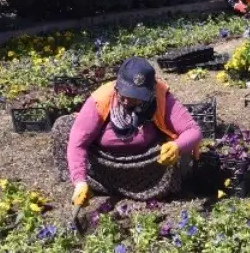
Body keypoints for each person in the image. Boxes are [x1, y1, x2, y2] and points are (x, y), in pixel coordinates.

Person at [62, 58, 202, 206]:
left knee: (177, 159)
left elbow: (193, 131)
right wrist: (80, 182)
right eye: (124, 95)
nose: (128, 102)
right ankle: (90, 183)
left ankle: (139, 187)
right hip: (103, 162)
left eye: (136, 98)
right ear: (117, 86)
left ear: (151, 91)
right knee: (64, 128)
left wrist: (177, 146)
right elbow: (78, 143)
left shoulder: (161, 96)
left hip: (145, 162)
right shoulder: (101, 98)